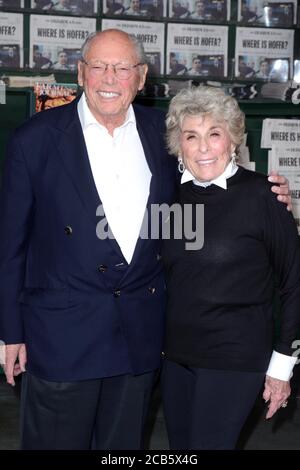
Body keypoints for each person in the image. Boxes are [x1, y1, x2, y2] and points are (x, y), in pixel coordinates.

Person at [0, 29, 291, 450]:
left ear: (141, 77)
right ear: (81, 73)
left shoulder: (165, 136)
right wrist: (11, 332)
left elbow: (212, 172)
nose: (108, 78)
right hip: (60, 336)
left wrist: (268, 189)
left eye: (122, 68)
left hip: (138, 339)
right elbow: (11, 247)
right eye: (98, 66)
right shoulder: (34, 139)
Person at [162, 85, 300, 450]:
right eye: (191, 135)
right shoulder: (167, 196)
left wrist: (282, 366)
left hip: (234, 358)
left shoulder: (263, 195)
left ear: (233, 140)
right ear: (179, 144)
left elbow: (294, 282)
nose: (203, 147)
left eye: (214, 134)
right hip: (174, 357)